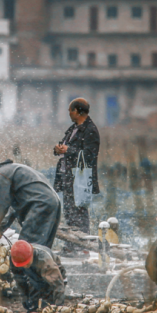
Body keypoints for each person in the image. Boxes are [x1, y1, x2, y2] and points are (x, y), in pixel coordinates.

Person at [0, 156, 61, 248]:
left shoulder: (1, 175)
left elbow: (0, 206)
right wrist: (0, 228)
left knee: (25, 249)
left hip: (40, 204)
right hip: (51, 201)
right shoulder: (9, 170)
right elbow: (12, 209)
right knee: (41, 249)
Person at [53, 97, 100, 235]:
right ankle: (71, 246)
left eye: (70, 110)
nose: (69, 113)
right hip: (67, 177)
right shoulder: (73, 128)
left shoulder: (90, 130)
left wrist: (69, 150)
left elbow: (90, 155)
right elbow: (65, 145)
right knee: (69, 213)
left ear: (78, 111)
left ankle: (81, 245)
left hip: (79, 179)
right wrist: (58, 149)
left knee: (79, 213)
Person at [9, 240, 66, 312]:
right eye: (22, 265)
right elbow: (19, 278)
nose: (25, 266)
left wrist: (58, 308)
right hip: (35, 277)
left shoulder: (45, 261)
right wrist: (24, 296)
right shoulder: (15, 258)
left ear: (31, 255)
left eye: (26, 263)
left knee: (50, 305)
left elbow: (58, 285)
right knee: (33, 306)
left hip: (54, 276)